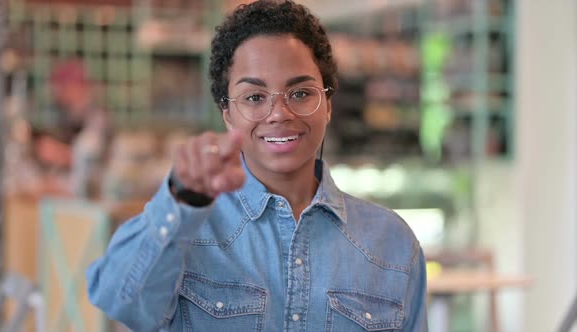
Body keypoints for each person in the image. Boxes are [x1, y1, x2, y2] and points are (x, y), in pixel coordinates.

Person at [86, 1, 428, 331]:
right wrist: (181, 199)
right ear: (227, 114)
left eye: (300, 94)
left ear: (328, 105)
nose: (279, 113)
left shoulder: (392, 243)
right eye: (254, 97)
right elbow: (120, 302)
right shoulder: (187, 228)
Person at [30, 58, 112, 197]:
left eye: (64, 88)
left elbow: (90, 161)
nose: (59, 94)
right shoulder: (66, 117)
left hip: (94, 195)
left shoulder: (97, 119)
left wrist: (57, 153)